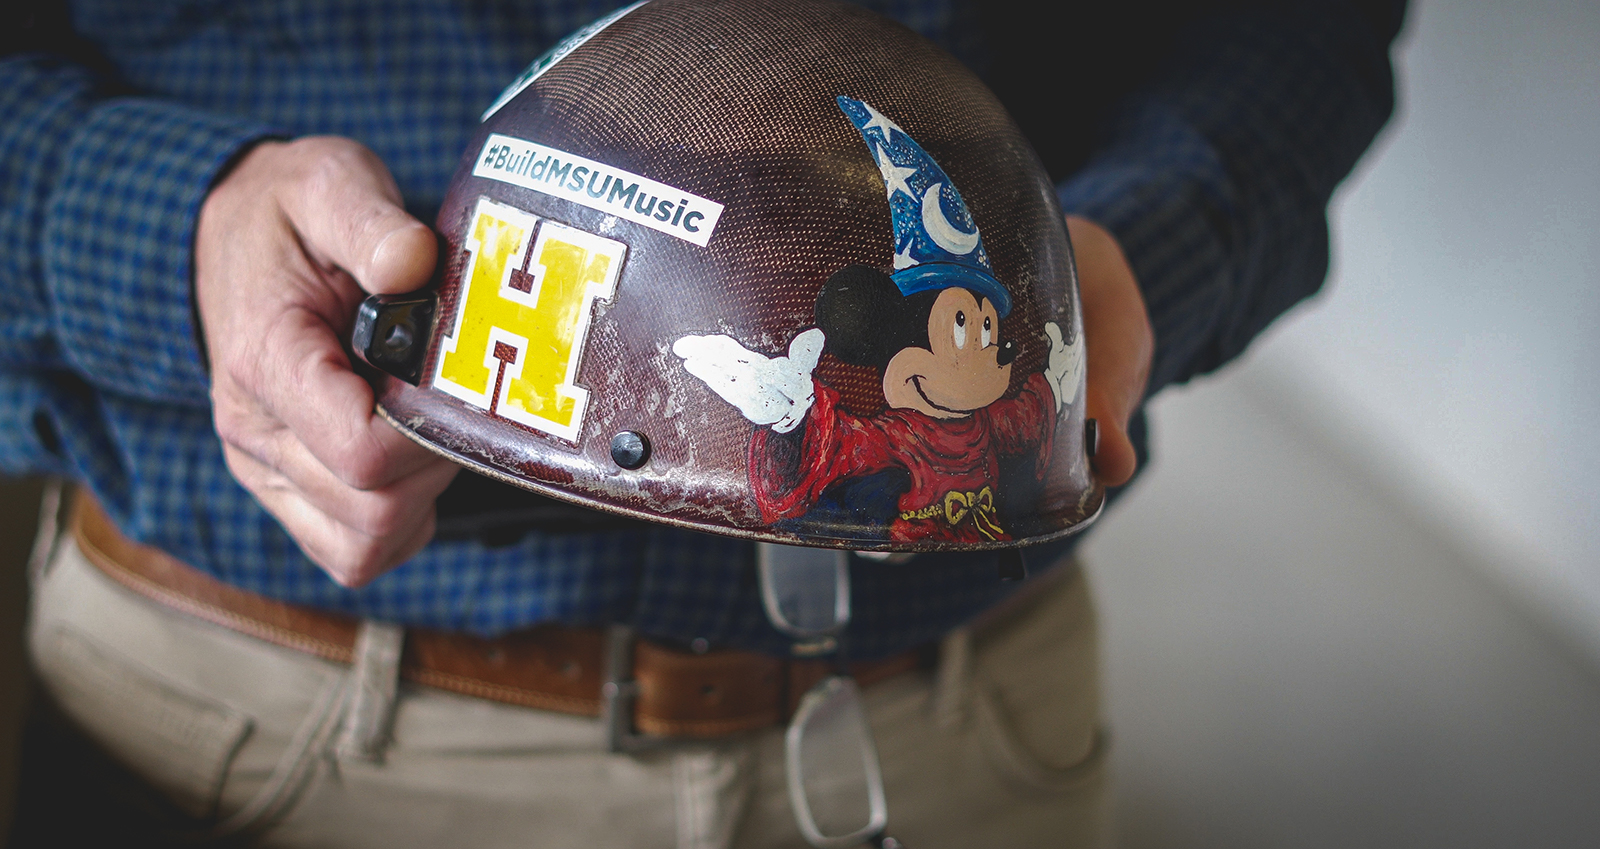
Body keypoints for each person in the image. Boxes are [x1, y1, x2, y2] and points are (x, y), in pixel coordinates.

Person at [0, 1, 1404, 846]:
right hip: (259, 721)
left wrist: (1146, 251)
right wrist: (154, 223)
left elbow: (1297, 26)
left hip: (954, 718)